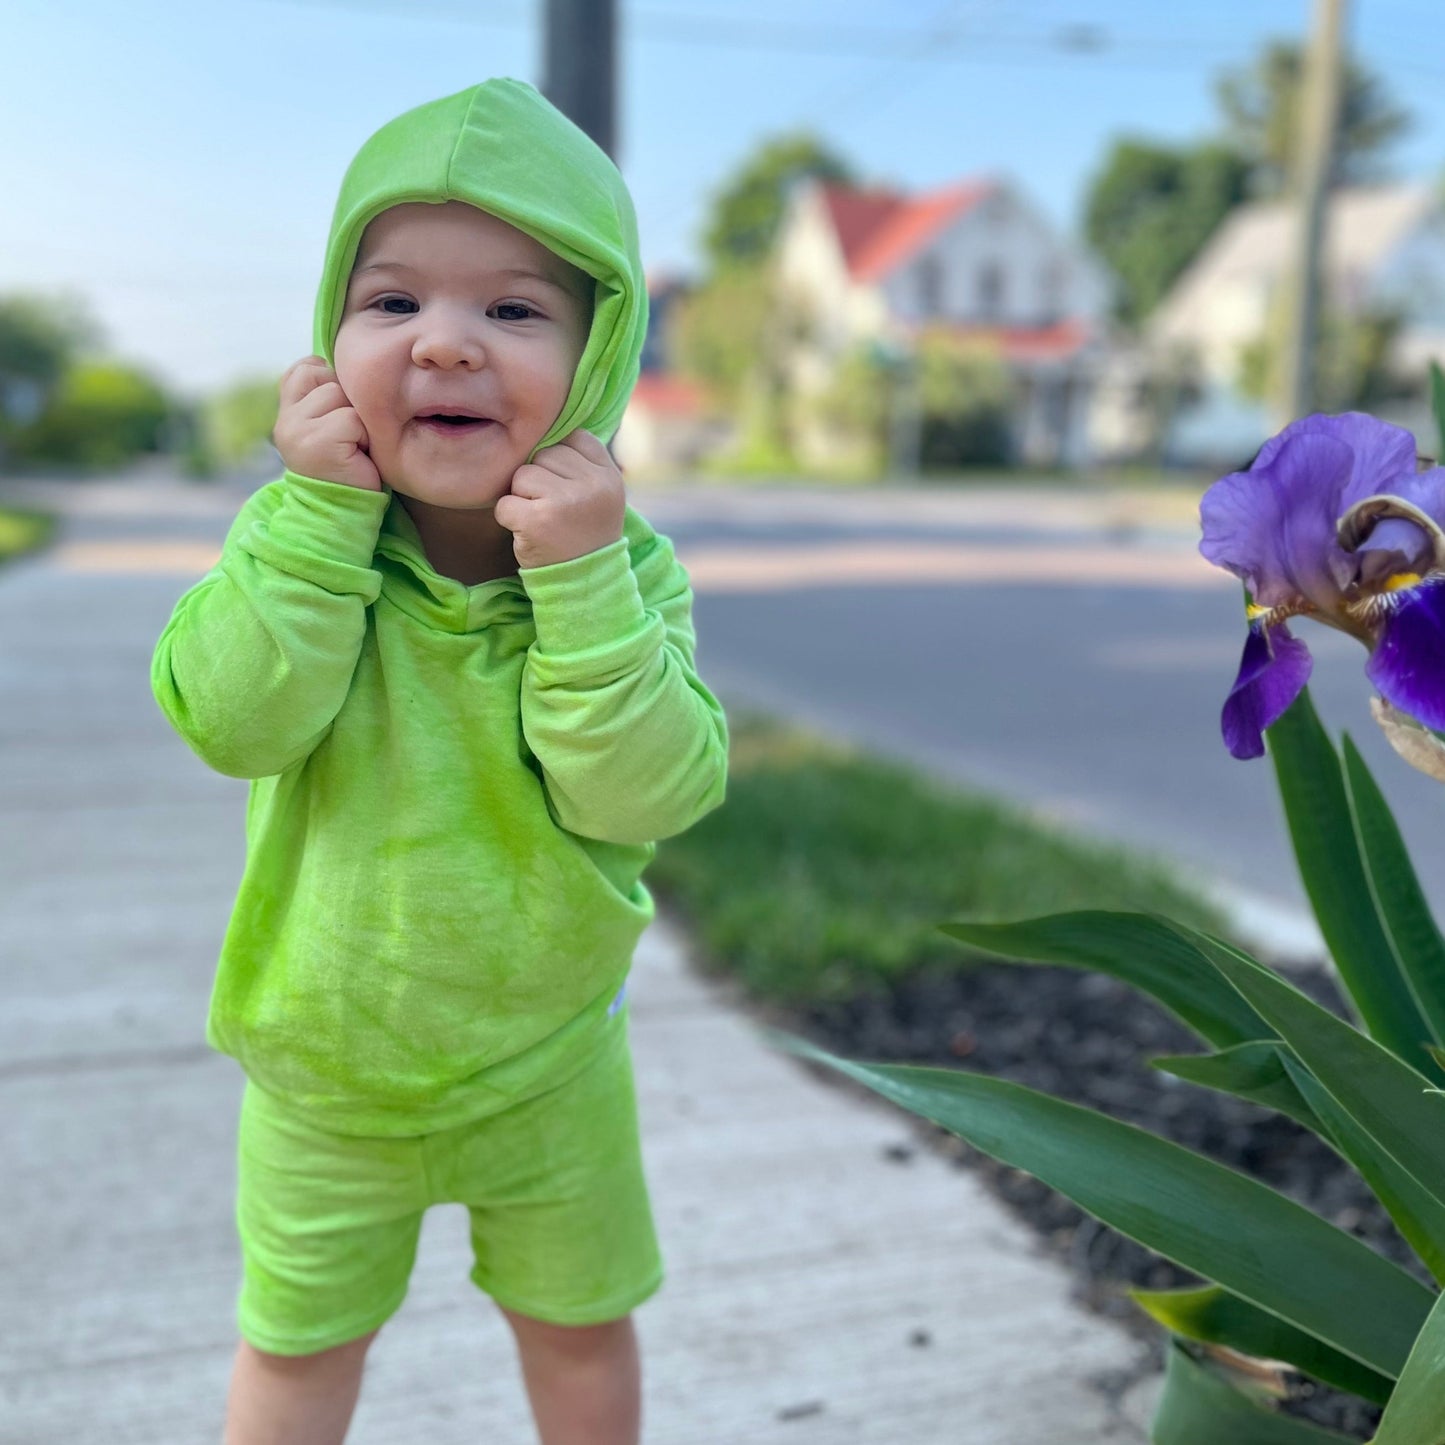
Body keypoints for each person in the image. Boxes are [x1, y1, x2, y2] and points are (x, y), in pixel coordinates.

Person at [151, 77, 728, 1445]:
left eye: (514, 311)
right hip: (327, 1076)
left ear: (600, 354)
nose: (447, 344)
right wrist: (316, 519)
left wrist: (580, 582)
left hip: (551, 1063)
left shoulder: (628, 574)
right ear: (329, 341)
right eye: (393, 301)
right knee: (297, 1350)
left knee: (579, 1330)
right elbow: (231, 722)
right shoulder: (295, 537)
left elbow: (649, 789)